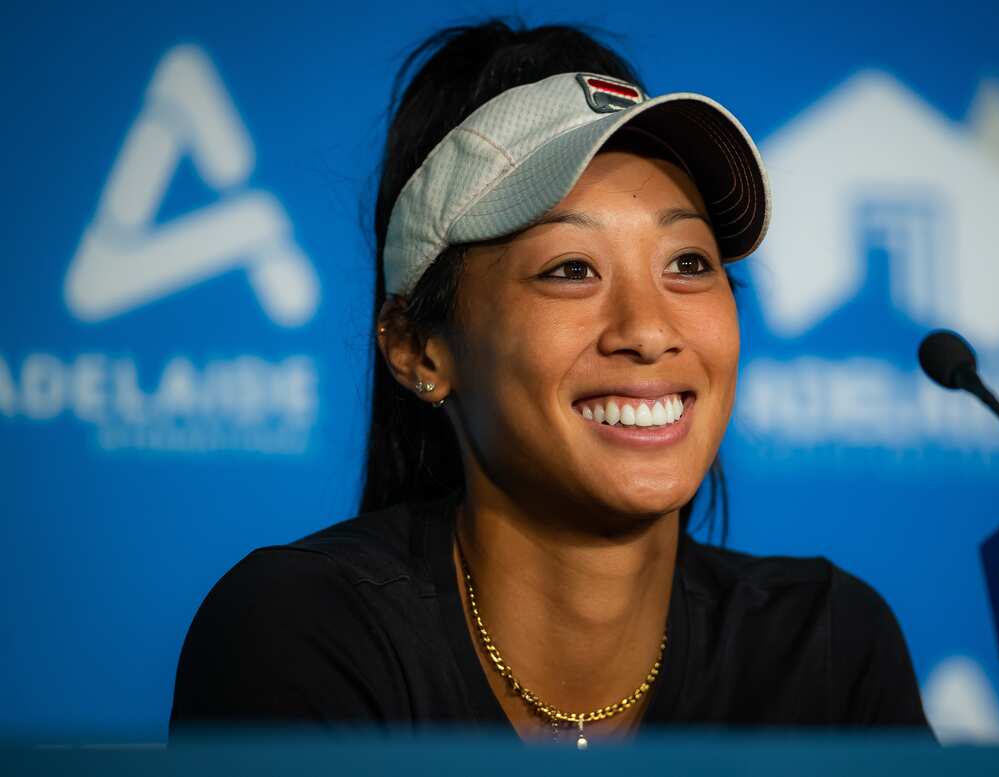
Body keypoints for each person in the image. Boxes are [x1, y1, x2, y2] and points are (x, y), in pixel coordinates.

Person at [169, 19, 932, 746]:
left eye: (688, 264)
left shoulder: (829, 649)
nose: (648, 328)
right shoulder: (303, 632)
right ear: (417, 347)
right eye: (572, 269)